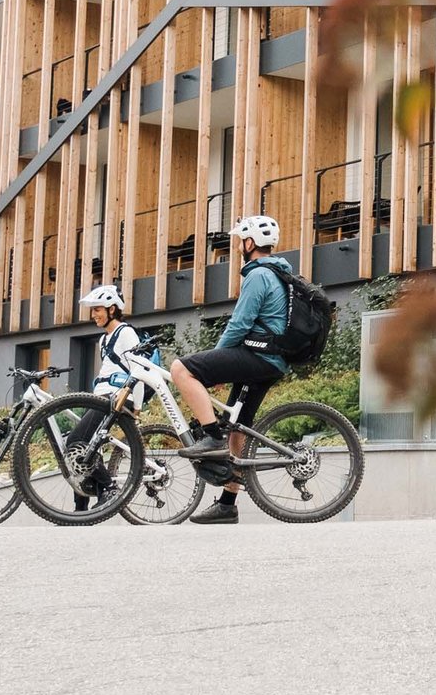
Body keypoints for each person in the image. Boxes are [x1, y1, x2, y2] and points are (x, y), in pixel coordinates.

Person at [171, 214, 293, 525]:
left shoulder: (259, 275)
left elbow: (240, 324)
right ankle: (228, 504)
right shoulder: (278, 273)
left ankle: (211, 436)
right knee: (237, 428)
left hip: (259, 356)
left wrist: (215, 359)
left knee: (182, 369)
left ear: (250, 243)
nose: (239, 244)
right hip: (270, 360)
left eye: (241, 239)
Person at [66, 285, 142, 513]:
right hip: (100, 399)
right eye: (92, 310)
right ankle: (82, 505)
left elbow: (138, 368)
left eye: (97, 309)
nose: (94, 315)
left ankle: (108, 488)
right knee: (87, 447)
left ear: (112, 308)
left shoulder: (126, 333)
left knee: (75, 442)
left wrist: (136, 405)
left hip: (116, 399)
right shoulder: (103, 339)